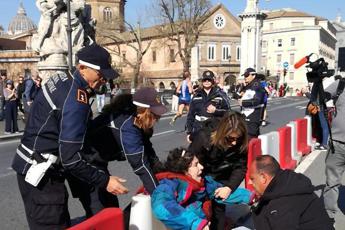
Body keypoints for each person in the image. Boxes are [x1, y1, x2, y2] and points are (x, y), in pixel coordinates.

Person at [11, 44, 129, 230]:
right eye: (101, 74)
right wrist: (105, 181)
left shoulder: (63, 78)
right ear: (82, 67)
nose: (104, 80)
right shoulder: (76, 100)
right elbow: (71, 159)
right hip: (43, 175)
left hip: (33, 163)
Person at [70, 87, 167, 217]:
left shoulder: (136, 120)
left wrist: (165, 177)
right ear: (144, 112)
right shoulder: (128, 125)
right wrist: (158, 195)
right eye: (156, 115)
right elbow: (140, 165)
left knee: (112, 211)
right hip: (83, 166)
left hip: (97, 163)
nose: (158, 118)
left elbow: (150, 155)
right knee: (101, 215)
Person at [152, 148, 253, 230]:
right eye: (196, 165)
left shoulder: (203, 183)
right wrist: (196, 224)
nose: (202, 167)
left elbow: (220, 191)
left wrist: (250, 196)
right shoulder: (170, 184)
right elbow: (161, 207)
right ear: (184, 170)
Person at [189, 111, 249, 230]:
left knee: (218, 214)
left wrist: (229, 187)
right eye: (230, 138)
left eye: (238, 138)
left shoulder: (241, 144)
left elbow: (240, 167)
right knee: (200, 215)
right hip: (202, 177)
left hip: (222, 180)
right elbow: (189, 162)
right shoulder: (204, 137)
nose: (234, 143)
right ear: (222, 133)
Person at [249, 155, 334, 230]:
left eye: (252, 179)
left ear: (263, 177)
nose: (250, 182)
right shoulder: (287, 184)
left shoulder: (281, 205)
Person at [186, 70, 231, 142]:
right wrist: (189, 132)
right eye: (205, 80)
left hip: (214, 129)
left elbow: (229, 112)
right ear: (202, 81)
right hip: (198, 128)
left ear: (212, 81)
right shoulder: (196, 95)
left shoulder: (220, 94)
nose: (207, 82)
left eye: (209, 80)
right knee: (197, 152)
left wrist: (216, 111)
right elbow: (190, 115)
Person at [323, 76, 345, 223]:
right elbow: (321, 98)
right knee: (332, 182)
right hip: (337, 144)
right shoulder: (341, 84)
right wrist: (317, 84)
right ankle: (328, 217)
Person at [239, 68, 265, 139]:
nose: (245, 77)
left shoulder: (257, 85)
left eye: (247, 75)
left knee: (251, 137)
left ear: (253, 75)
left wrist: (244, 103)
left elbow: (257, 100)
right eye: (244, 75)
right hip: (246, 114)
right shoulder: (250, 85)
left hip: (253, 116)